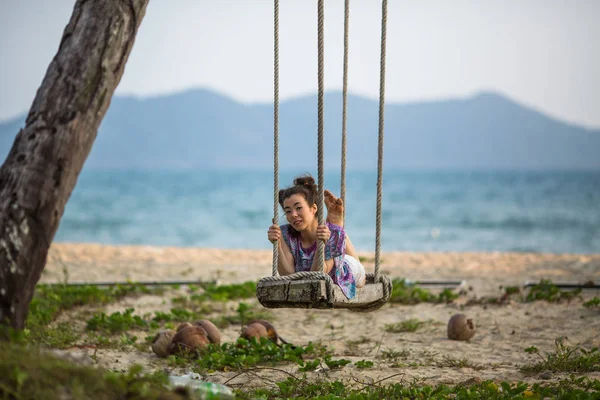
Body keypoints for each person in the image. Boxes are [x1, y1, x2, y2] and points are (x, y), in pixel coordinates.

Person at [267, 174, 366, 299]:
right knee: (332, 233)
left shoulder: (328, 234)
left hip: (345, 271)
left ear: (313, 208)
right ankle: (335, 228)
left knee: (334, 234)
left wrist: (322, 243)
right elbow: (286, 274)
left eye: (298, 208)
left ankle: (336, 226)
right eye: (288, 211)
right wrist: (278, 242)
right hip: (323, 264)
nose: (293, 215)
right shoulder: (286, 233)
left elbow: (318, 274)